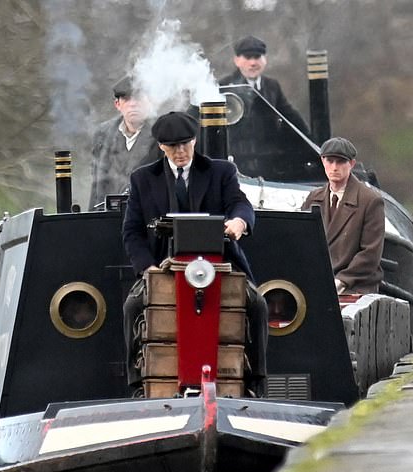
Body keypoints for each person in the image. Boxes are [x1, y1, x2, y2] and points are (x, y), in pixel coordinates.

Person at [122, 111, 268, 396]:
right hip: (162, 267)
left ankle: (254, 382)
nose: (180, 152)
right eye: (173, 146)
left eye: (185, 144)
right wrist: (147, 268)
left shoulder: (221, 171)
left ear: (195, 141)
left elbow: (240, 204)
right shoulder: (142, 179)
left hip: (220, 262)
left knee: (258, 305)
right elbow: (132, 232)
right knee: (131, 307)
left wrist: (239, 222)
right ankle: (139, 385)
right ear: (161, 147)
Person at [301, 137, 385, 294]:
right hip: (319, 284)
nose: (334, 167)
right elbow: (302, 244)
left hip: (356, 288)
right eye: (330, 161)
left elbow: (370, 254)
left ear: (351, 164)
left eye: (340, 162)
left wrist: (341, 281)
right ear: (322, 161)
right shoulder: (313, 199)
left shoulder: (370, 201)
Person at [218, 35, 310, 176]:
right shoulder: (224, 86)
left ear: (265, 60)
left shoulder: (272, 86)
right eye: (248, 57)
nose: (253, 63)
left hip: (268, 163)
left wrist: (310, 140)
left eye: (257, 57)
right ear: (237, 60)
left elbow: (289, 115)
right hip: (238, 163)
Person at [88, 76, 161, 210]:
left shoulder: (161, 132)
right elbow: (97, 185)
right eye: (126, 99)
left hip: (147, 217)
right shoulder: (103, 135)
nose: (133, 104)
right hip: (109, 216)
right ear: (117, 104)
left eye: (138, 98)